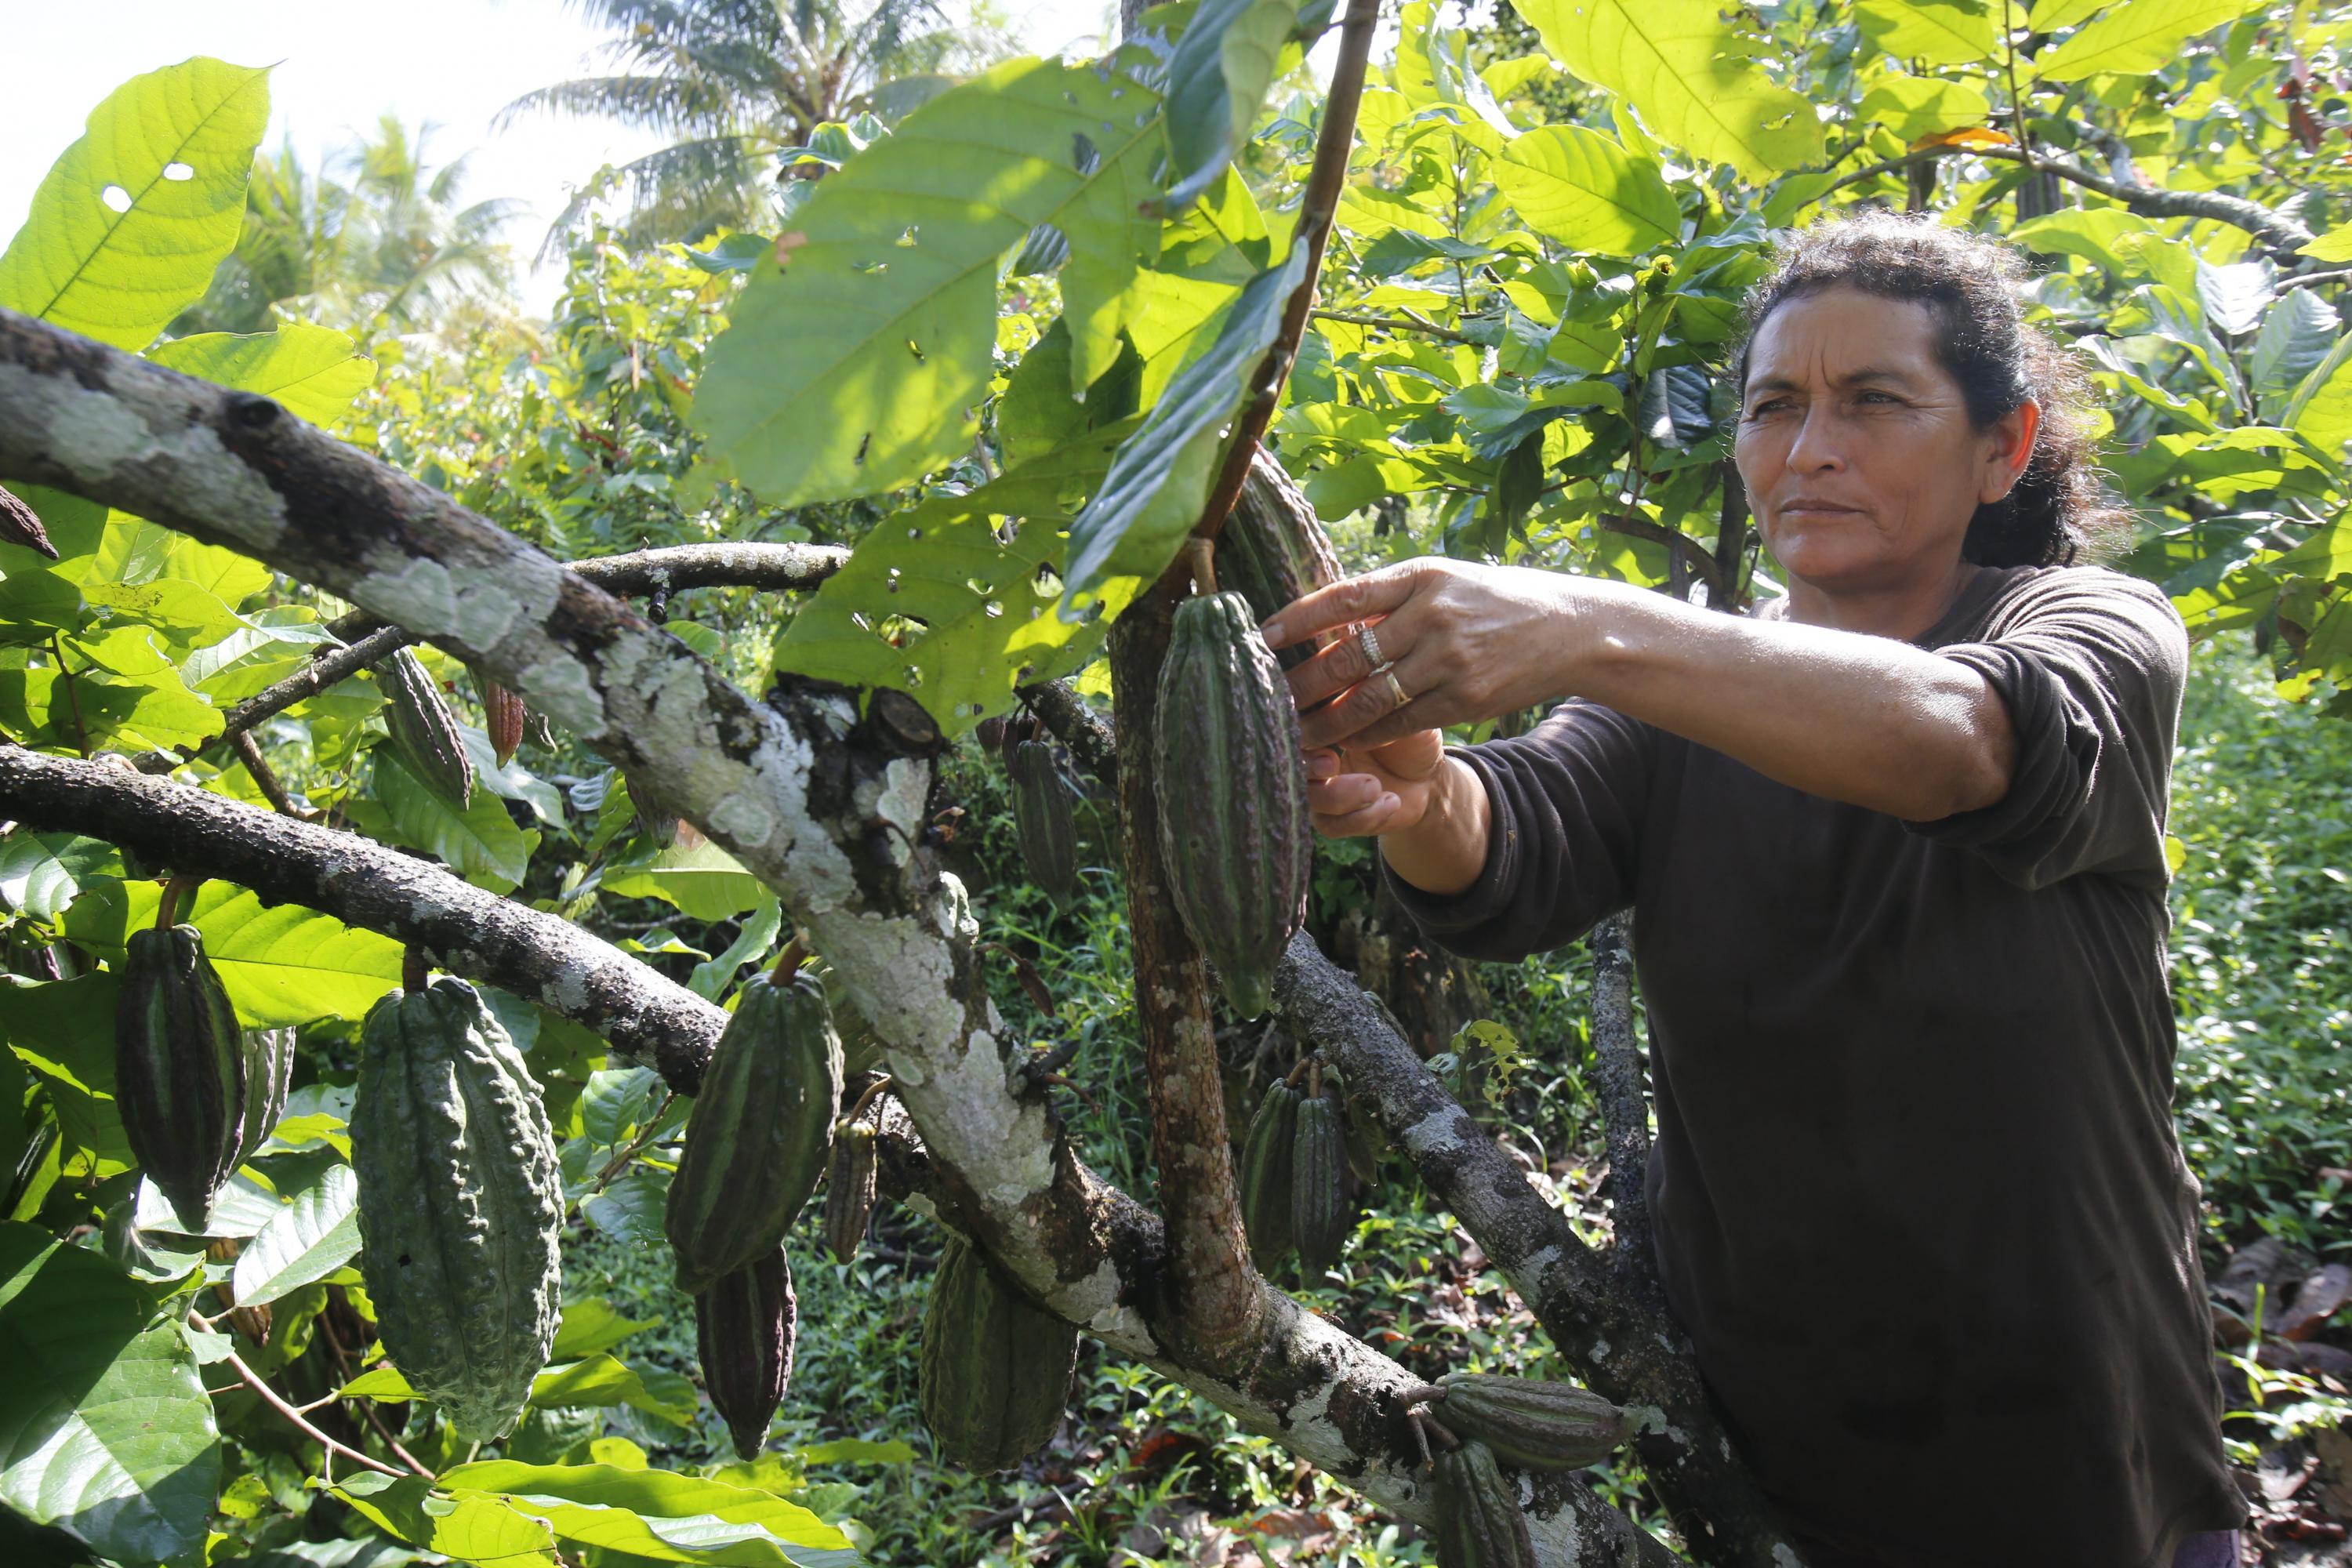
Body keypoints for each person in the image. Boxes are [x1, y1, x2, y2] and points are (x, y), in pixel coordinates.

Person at [1259, 212, 2248, 1568]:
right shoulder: (1679, 697)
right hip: (1782, 1447)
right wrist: (1418, 799)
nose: (1810, 449)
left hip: (2074, 1432)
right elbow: (1512, 848)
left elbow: (1974, 745)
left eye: (1875, 401)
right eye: (1775, 406)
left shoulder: (2092, 628)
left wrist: (1590, 623)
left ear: (2002, 447)